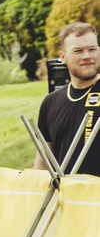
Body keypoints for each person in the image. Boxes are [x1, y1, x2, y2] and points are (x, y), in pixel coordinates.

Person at [35, 21, 100, 174]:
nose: (87, 56)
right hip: (67, 196)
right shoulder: (50, 102)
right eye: (78, 51)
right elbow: (43, 159)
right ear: (63, 57)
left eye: (92, 49)